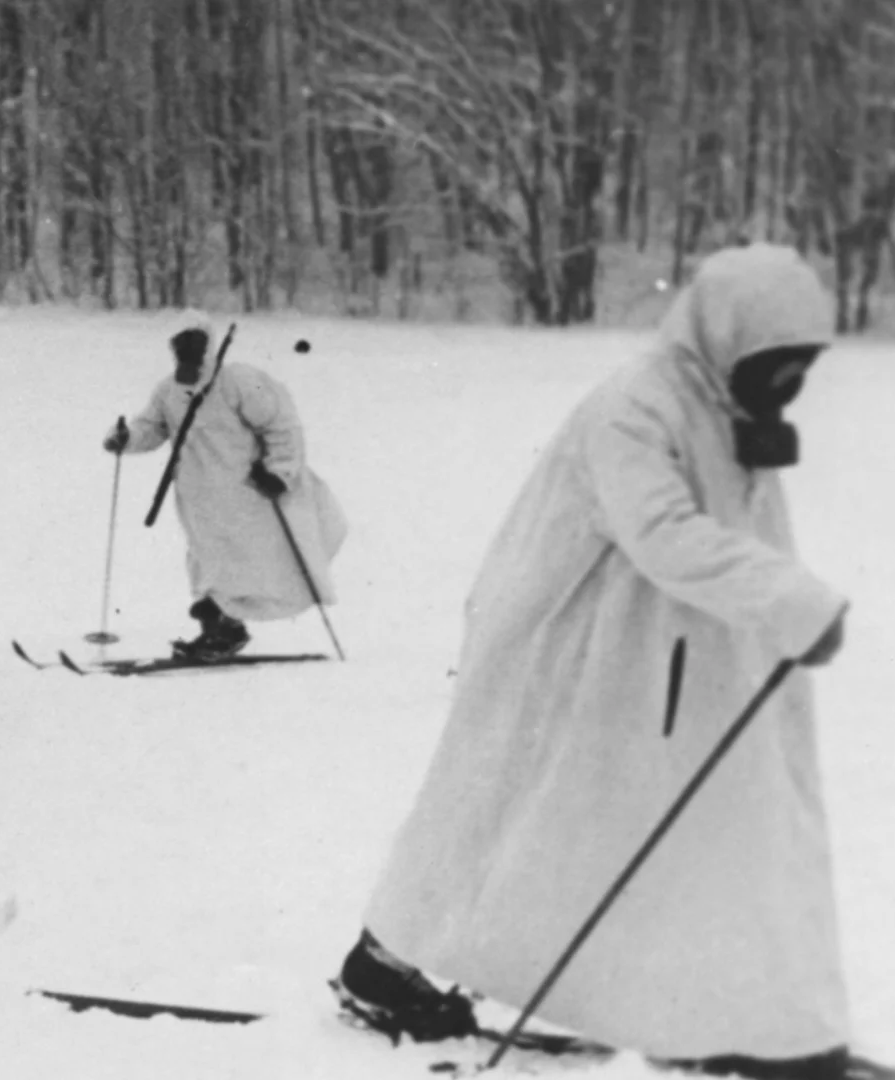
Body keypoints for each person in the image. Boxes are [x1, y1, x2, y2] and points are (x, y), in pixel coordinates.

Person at [337, 244, 850, 1079]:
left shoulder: (721, 403)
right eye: (777, 365)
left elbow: (739, 529)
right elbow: (662, 532)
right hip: (562, 647)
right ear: (729, 337)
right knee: (505, 809)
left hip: (654, 657)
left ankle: (718, 1012)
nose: (790, 386)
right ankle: (383, 963)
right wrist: (790, 602)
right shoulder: (636, 408)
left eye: (801, 369)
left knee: (647, 826)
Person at [103, 311, 345, 659]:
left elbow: (282, 425)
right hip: (198, 496)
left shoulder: (240, 381)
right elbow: (151, 428)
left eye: (195, 342)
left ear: (209, 344)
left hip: (247, 492)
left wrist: (280, 470)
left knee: (245, 561)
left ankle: (225, 630)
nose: (188, 351)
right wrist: (125, 439)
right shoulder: (168, 390)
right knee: (207, 562)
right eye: (181, 344)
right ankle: (221, 630)